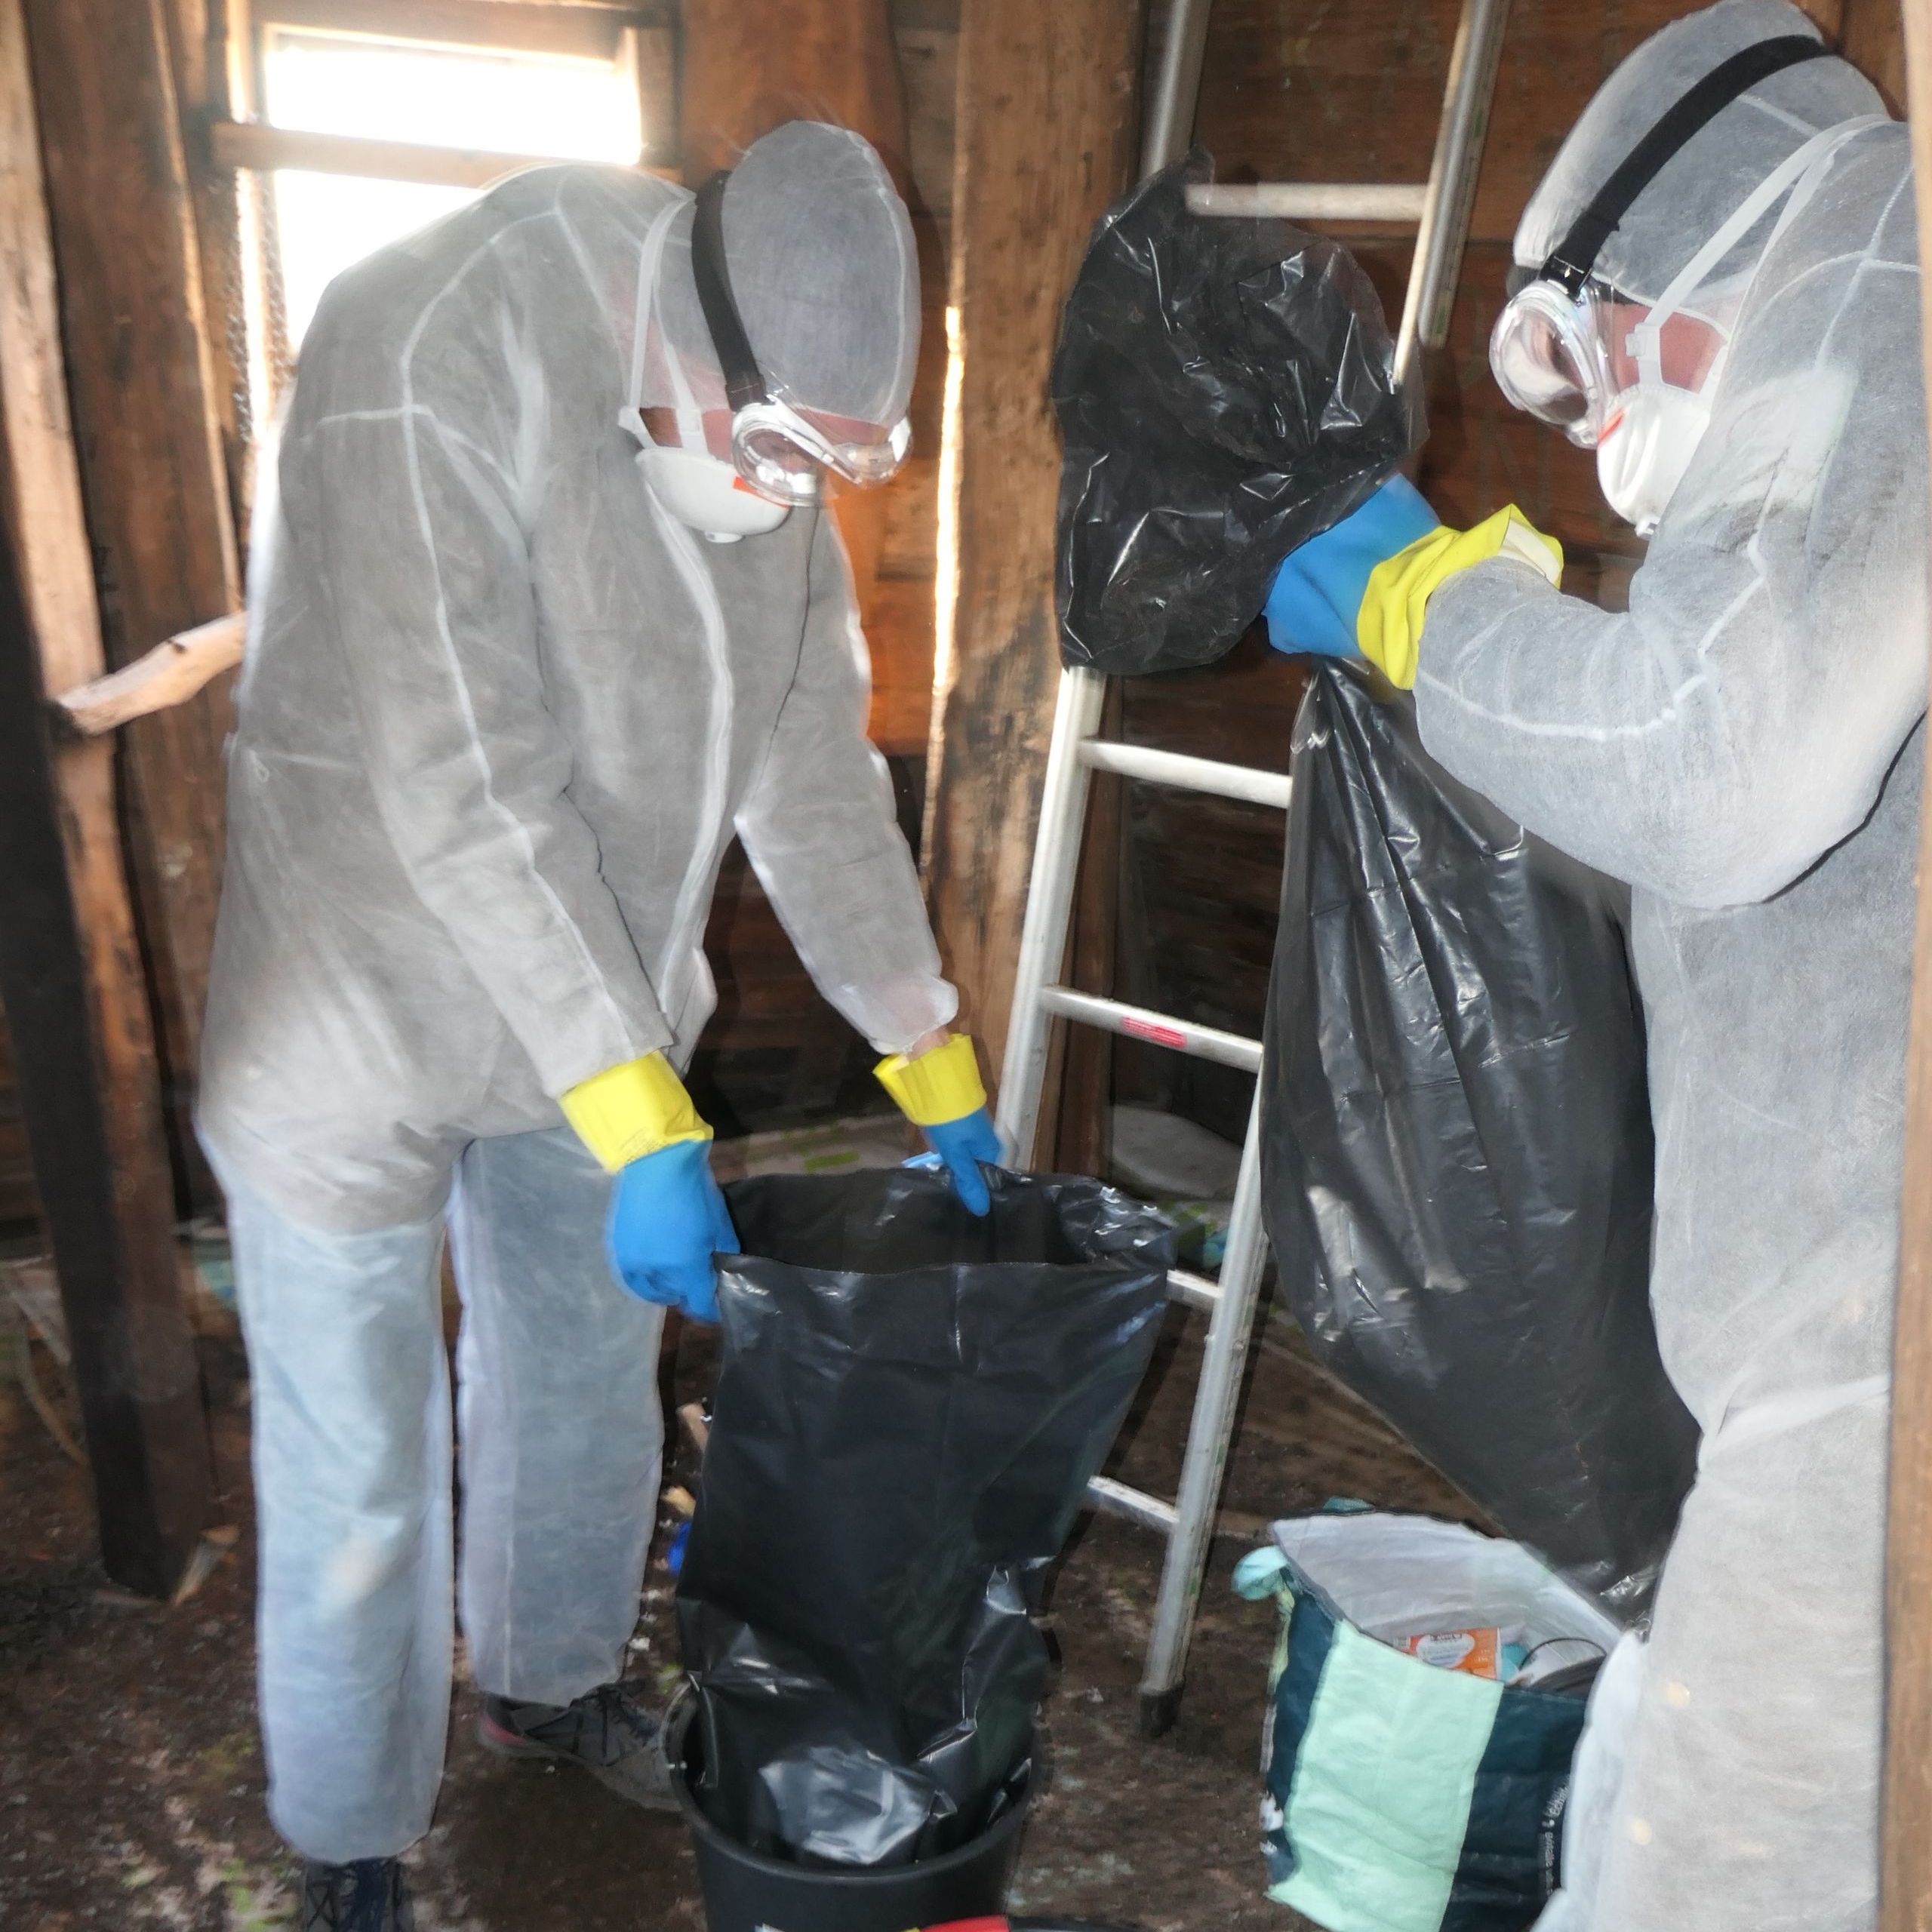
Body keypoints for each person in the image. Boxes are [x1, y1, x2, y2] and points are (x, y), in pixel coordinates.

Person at [196, 122, 1001, 1930]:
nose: (790, 497)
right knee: (360, 1449)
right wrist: (653, 1122)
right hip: (363, 995)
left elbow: (804, 761)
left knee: (579, 1370)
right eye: (775, 451)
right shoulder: (427, 348)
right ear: (685, 351)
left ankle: (550, 1675)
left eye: (831, 466)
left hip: (601, 1004)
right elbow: (465, 781)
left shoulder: (765, 426)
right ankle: (346, 1827)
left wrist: (918, 1035)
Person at [1265, 5, 1923, 1927]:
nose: (1595, 435)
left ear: (1662, 265)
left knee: (1714, 1880)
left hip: (1871, 1370)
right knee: (1642, 1777)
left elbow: (1724, 773)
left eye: (1582, 371)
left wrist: (1423, 601)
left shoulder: (1869, 285)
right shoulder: (1850, 322)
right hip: (1816, 1340)